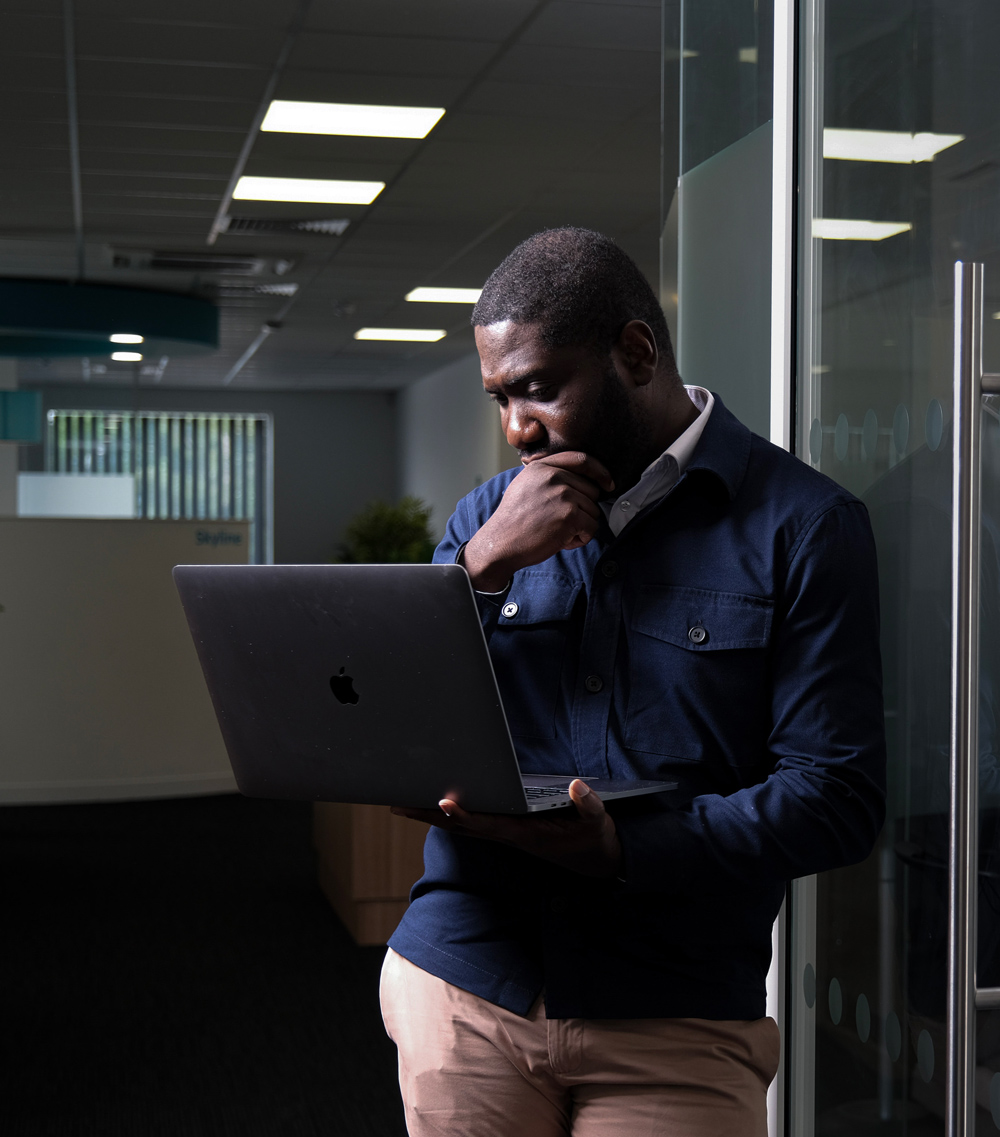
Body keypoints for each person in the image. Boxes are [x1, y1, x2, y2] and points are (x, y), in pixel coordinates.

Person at [382, 228, 886, 1136]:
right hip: (466, 982)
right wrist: (484, 564)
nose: (517, 430)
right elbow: (399, 724)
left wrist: (624, 851)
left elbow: (836, 795)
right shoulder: (480, 521)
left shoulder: (805, 526)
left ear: (636, 352)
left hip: (675, 1010)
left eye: (539, 388)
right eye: (499, 397)